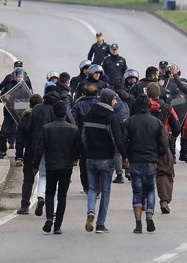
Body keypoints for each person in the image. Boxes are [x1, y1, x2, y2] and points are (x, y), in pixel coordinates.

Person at [82, 88, 128, 233]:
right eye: (114, 99)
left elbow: (83, 136)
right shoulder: (111, 117)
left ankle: (91, 211)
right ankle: (100, 224)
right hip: (106, 158)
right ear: (109, 99)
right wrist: (125, 155)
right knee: (106, 191)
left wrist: (86, 150)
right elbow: (117, 140)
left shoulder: (89, 115)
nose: (116, 101)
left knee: (93, 188)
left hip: (90, 157)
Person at [33, 101, 82, 234]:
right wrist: (74, 158)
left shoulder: (47, 128)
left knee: (49, 192)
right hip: (66, 165)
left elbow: (39, 148)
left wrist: (35, 164)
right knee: (62, 196)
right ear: (65, 113)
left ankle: (49, 217)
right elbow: (79, 148)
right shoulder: (73, 129)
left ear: (54, 113)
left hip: (51, 165)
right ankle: (58, 225)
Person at [29, 82, 75, 217]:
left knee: (43, 175)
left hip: (40, 146)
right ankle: (54, 210)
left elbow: (30, 129)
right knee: (55, 180)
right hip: (58, 148)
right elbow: (73, 124)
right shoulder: (61, 108)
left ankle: (40, 197)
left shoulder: (37, 108)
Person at [124, 94, 169, 233]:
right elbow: (164, 144)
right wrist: (157, 155)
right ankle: (149, 214)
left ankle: (138, 223)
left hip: (135, 161)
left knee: (137, 192)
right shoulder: (156, 122)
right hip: (150, 161)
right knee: (150, 190)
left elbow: (124, 141)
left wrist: (127, 156)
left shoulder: (130, 122)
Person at [147, 82, 180, 214]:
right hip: (162, 142)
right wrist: (172, 136)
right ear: (159, 93)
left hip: (144, 143)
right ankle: (164, 200)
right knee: (165, 171)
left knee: (145, 171)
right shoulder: (167, 108)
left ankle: (143, 200)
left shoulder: (141, 106)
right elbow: (177, 126)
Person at [16, 94, 42, 215]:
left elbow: (19, 141)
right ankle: (44, 201)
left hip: (30, 152)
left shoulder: (25, 118)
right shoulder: (44, 118)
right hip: (43, 152)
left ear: (30, 105)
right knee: (45, 178)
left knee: (27, 180)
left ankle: (25, 205)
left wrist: (19, 156)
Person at [71, 84, 99, 193]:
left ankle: (87, 186)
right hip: (98, 136)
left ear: (84, 93)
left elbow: (72, 119)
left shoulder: (78, 105)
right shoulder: (100, 104)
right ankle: (97, 186)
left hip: (83, 136)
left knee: (83, 163)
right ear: (97, 93)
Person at [0, 67, 26, 160]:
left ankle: (20, 155)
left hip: (21, 114)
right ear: (14, 76)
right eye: (18, 76)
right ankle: (2, 151)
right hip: (10, 113)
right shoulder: (8, 86)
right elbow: (0, 98)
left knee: (23, 135)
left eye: (21, 76)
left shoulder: (25, 87)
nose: (20, 78)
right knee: (3, 133)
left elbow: (31, 98)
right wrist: (5, 97)